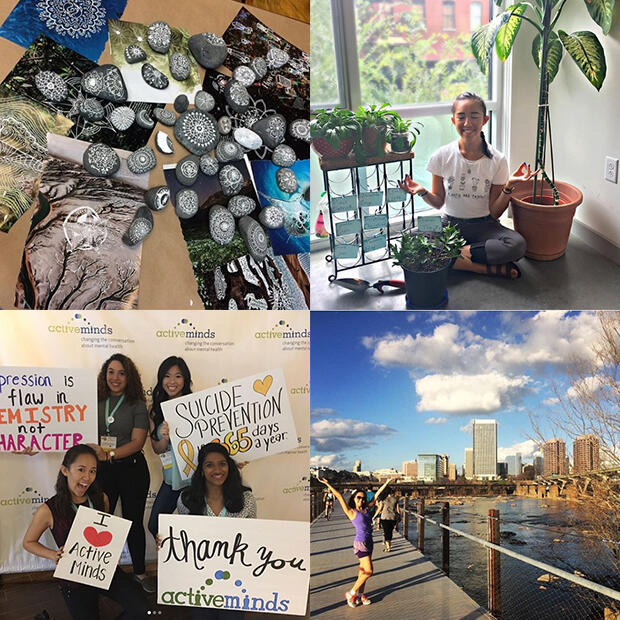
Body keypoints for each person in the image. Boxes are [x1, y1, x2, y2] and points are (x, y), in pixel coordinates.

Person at [399, 91, 539, 279]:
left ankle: (450, 257)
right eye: (461, 117)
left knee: (517, 244)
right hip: (447, 222)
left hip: (485, 226)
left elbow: (496, 212)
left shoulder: (497, 159)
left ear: (485, 120)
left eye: (474, 116)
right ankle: (480, 268)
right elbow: (438, 202)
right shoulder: (441, 155)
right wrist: (422, 192)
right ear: (453, 120)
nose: (467, 123)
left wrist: (509, 187)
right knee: (409, 238)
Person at [22, 444, 148, 619]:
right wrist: (53, 555)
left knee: (141, 608)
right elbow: (28, 542)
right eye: (81, 470)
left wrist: (112, 551)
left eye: (92, 471)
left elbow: (105, 534)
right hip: (74, 579)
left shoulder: (101, 499)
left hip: (101, 570)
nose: (87, 477)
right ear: (65, 470)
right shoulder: (49, 509)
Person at [88, 354, 154, 593]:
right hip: (103, 471)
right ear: (104, 375)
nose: (115, 378)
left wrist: (110, 454)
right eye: (111, 372)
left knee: (133, 520)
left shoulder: (136, 404)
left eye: (121, 373)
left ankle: (139, 572)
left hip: (132, 469)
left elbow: (138, 442)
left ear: (129, 377)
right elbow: (73, 429)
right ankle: (97, 571)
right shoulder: (92, 399)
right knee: (100, 521)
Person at [175, 442, 256, 619]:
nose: (217, 470)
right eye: (209, 465)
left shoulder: (247, 500)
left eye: (222, 463)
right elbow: (182, 541)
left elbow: (252, 539)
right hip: (199, 580)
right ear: (202, 470)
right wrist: (166, 541)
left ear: (229, 466)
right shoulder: (186, 500)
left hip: (234, 581)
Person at [318, 477, 393, 607]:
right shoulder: (351, 512)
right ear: (354, 498)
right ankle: (351, 593)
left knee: (363, 571)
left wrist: (386, 483)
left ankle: (360, 595)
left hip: (369, 542)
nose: (361, 500)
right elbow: (339, 496)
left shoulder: (367, 509)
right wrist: (327, 484)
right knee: (369, 571)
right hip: (360, 543)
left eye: (363, 498)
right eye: (358, 497)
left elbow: (376, 495)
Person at [147, 356, 193, 540]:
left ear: (185, 379)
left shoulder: (195, 404)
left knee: (195, 530)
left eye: (178, 376)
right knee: (154, 525)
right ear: (161, 379)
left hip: (195, 480)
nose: (172, 381)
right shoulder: (154, 410)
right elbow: (157, 449)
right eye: (167, 376)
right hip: (171, 479)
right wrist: (164, 439)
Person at [373, 487, 401, 552]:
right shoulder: (395, 499)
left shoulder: (383, 499)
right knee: (390, 532)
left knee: (386, 531)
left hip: (384, 517)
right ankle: (389, 545)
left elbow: (380, 508)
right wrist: (399, 516)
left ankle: (388, 547)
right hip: (392, 517)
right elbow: (398, 509)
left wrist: (374, 516)